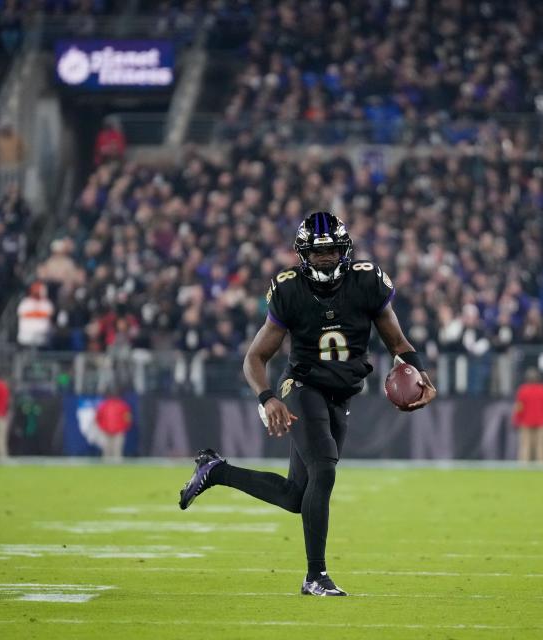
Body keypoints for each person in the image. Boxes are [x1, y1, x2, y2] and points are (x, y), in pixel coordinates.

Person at [177, 212, 436, 597]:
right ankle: (315, 576)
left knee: (297, 497)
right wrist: (267, 398)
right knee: (325, 471)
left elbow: (397, 343)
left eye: (331, 251)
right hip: (302, 387)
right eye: (317, 254)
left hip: (341, 394)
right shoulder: (289, 290)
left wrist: (422, 376)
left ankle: (216, 471)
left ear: (344, 251)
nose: (326, 259)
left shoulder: (367, 282)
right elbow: (254, 358)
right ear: (303, 255)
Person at [512, 368, 543, 463]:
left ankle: (523, 465)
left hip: (526, 421)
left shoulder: (523, 390)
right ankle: (542, 465)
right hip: (541, 421)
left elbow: (519, 407)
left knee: (525, 445)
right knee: (541, 446)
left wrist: (517, 419)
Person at [95, 393, 132, 461]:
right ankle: (105, 470)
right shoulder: (104, 405)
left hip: (118, 433)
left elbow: (128, 419)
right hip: (106, 433)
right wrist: (103, 429)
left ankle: (118, 469)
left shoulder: (123, 405)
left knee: (117, 452)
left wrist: (122, 429)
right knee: (106, 452)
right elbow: (98, 418)